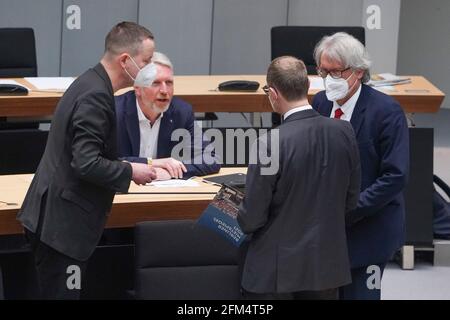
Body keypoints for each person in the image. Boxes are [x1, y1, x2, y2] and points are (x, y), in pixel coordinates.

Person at [17, 22, 158, 299]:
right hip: (62, 229)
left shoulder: (90, 81)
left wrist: (136, 164)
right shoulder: (96, 95)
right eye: (147, 61)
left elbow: (87, 152)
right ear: (126, 60)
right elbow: (85, 162)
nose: (152, 69)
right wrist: (130, 171)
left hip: (56, 221)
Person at [237, 56, 361, 300]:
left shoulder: (269, 143)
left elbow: (252, 218)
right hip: (325, 267)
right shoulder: (344, 131)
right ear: (306, 87)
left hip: (275, 273)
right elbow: (350, 201)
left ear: (272, 93)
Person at [312, 32, 410, 300]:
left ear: (358, 72)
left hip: (369, 228)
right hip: (325, 230)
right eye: (323, 71)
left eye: (336, 72)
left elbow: (395, 176)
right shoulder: (321, 103)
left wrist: (348, 209)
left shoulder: (386, 112)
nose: (328, 79)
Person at [115, 52, 220, 180]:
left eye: (169, 83)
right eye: (155, 83)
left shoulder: (181, 112)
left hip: (163, 191)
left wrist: (171, 173)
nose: (164, 91)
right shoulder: (115, 111)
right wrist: (152, 163)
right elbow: (101, 161)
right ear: (138, 88)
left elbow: (210, 158)